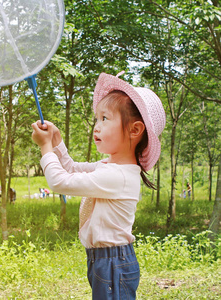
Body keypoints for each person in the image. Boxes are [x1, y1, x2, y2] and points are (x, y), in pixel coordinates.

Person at [31, 72, 166, 300]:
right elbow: (71, 168)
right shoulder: (109, 167)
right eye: (97, 118)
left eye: (105, 119)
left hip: (113, 263)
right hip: (105, 261)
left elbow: (60, 181)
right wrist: (56, 142)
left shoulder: (118, 176)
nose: (96, 126)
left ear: (134, 130)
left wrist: (45, 148)